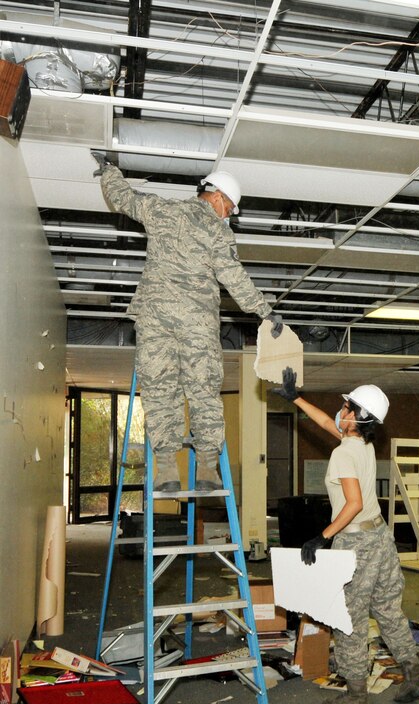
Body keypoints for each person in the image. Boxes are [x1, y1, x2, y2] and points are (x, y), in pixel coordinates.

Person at [91, 152, 283, 492]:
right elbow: (234, 277)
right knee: (203, 389)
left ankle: (166, 470)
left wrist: (109, 170)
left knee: (159, 388)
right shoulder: (216, 231)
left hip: (155, 319)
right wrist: (265, 312)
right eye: (230, 209)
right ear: (219, 198)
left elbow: (122, 198)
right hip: (196, 323)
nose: (230, 217)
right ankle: (208, 468)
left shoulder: (163, 209)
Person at [273, 367, 419, 704]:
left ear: (356, 415)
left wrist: (321, 536)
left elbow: (353, 503)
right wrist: (295, 398)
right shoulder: (361, 443)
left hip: (356, 541)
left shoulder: (344, 453)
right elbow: (329, 426)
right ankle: (414, 675)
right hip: (380, 538)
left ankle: (356, 695)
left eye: (346, 406)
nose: (339, 410)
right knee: (388, 610)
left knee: (350, 618)